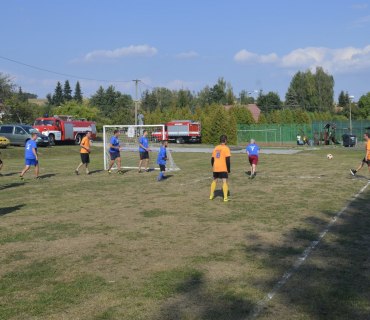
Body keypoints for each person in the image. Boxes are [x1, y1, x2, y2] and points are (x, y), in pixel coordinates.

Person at [210, 134, 231, 202]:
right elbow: (227, 160)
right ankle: (225, 198)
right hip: (223, 167)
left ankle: (211, 195)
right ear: (225, 140)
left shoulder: (216, 148)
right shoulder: (226, 148)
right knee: (224, 181)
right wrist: (228, 169)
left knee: (215, 180)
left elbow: (212, 159)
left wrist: (213, 166)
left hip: (216, 167)